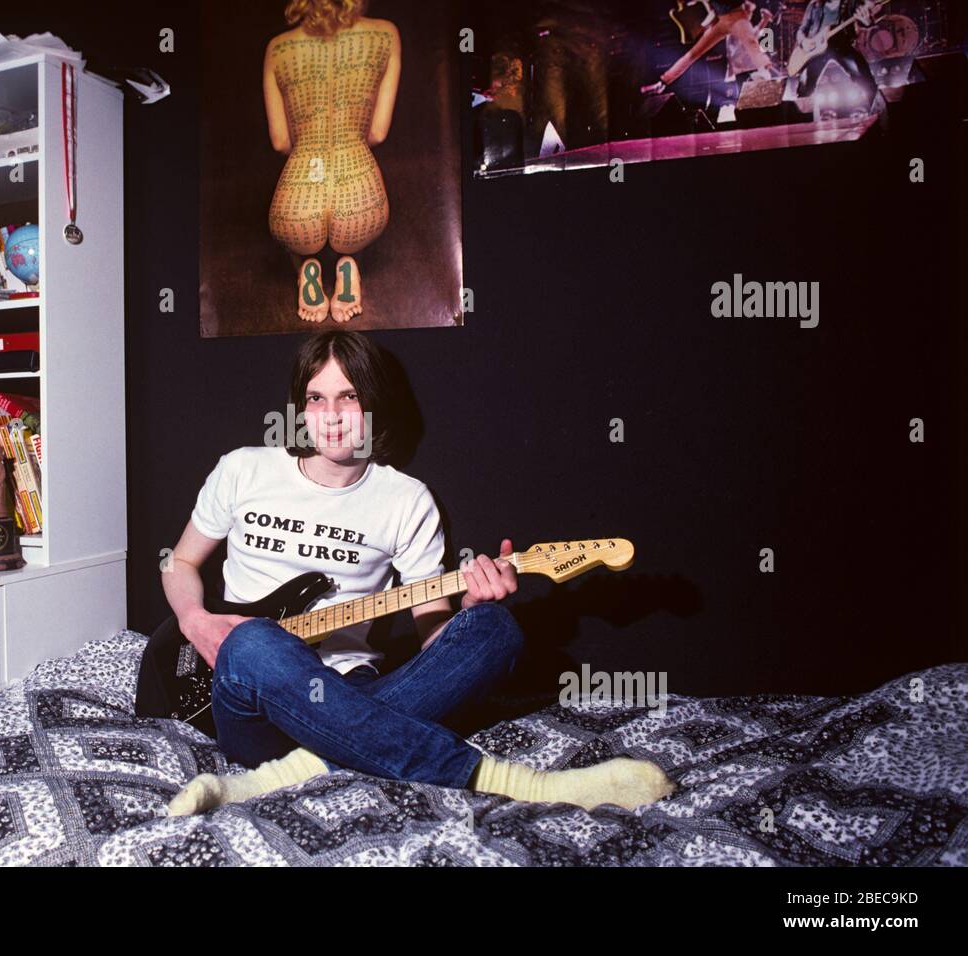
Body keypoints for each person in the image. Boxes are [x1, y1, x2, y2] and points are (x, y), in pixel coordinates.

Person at [161, 330, 675, 815]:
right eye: (317, 399)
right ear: (299, 407)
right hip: (248, 692)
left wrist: (472, 604)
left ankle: (278, 775)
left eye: (350, 397)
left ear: (375, 405)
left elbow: (435, 634)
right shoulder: (244, 469)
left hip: (354, 687)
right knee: (254, 641)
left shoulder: (406, 500)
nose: (332, 416)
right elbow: (179, 562)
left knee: (494, 629)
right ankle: (521, 782)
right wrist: (194, 619)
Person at [265, 0, 400, 324]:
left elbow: (280, 141)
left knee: (299, 240)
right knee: (351, 236)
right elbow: (379, 132)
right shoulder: (385, 34)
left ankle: (307, 267)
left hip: (296, 204)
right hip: (361, 202)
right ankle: (348, 264)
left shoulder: (278, 48)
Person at [641, 1, 779, 96]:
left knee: (751, 43)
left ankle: (765, 71)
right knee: (693, 53)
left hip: (738, 17)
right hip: (721, 21)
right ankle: (663, 82)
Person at [793, 0, 881, 113]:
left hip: (841, 44)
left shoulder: (850, 3)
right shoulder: (814, 5)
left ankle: (877, 111)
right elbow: (801, 30)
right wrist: (804, 41)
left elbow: (865, 20)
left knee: (863, 76)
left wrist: (867, 21)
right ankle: (804, 120)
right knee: (805, 85)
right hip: (816, 50)